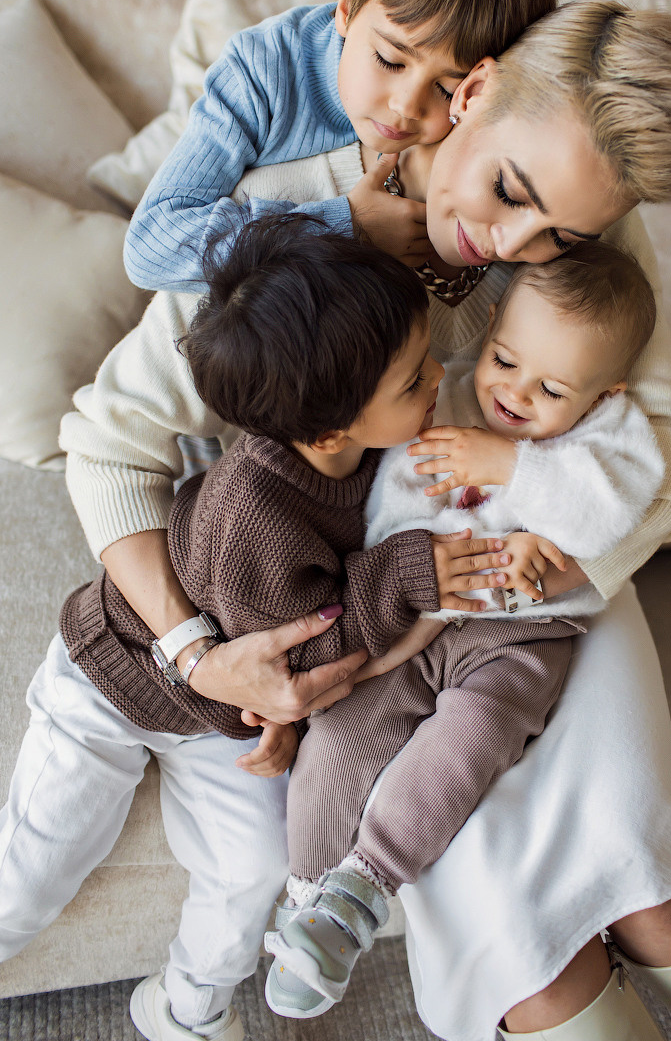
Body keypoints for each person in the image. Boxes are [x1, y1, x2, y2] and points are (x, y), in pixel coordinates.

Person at [59, 2, 671, 1039]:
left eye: (561, 235)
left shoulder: (587, 217)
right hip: (381, 616)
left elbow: (666, 464)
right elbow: (106, 448)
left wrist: (533, 556)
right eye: (509, 191)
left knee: (660, 893)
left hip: (550, 592)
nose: (514, 244)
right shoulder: (298, 221)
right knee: (535, 967)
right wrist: (197, 655)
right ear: (474, 92)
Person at [0, 216, 516, 1041]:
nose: (438, 378)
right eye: (414, 378)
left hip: (220, 717)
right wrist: (409, 573)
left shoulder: (367, 451)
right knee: (38, 861)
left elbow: (282, 670)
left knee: (255, 866)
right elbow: (297, 648)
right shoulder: (255, 513)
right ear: (331, 430)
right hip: (118, 675)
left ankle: (186, 1009)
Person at [264, 242, 666, 1019]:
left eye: (552, 389)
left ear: (605, 392)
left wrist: (513, 469)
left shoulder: (614, 436)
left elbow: (608, 513)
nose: (515, 393)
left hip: (521, 636)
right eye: (505, 361)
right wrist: (406, 596)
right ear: (490, 330)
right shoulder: (442, 394)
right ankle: (310, 903)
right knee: (337, 742)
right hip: (416, 624)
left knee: (474, 733)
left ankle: (365, 883)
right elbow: (388, 507)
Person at [122, 0, 556, 292]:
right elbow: (151, 245)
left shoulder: (484, 130)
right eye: (390, 61)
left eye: (447, 89)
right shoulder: (263, 71)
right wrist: (344, 226)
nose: (407, 106)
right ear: (345, 9)